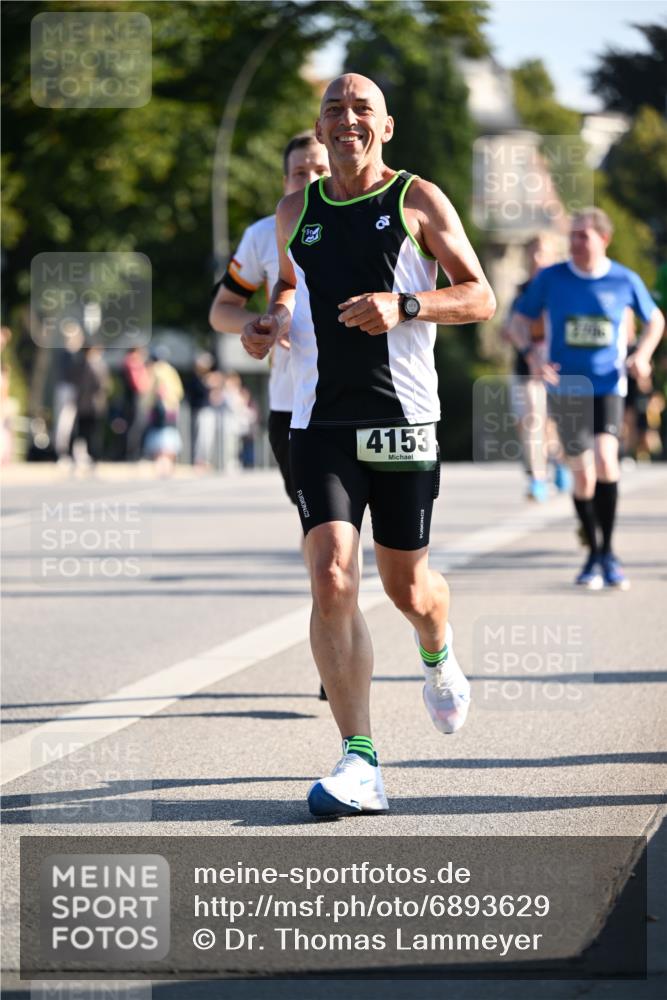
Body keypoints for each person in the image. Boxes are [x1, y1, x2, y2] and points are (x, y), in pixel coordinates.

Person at [241, 74, 495, 818]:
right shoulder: (295, 212)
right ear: (318, 129)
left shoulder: (417, 199)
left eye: (361, 109)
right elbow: (288, 288)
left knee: (406, 589)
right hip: (319, 422)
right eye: (332, 108)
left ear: (384, 126)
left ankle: (437, 647)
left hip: (403, 420)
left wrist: (406, 304)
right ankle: (360, 761)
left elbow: (479, 294)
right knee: (330, 577)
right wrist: (268, 323)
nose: (345, 119)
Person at [514, 207, 664, 590]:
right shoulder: (551, 278)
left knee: (605, 460)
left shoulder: (623, 279)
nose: (575, 242)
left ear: (603, 239)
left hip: (609, 384)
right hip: (567, 387)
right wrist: (532, 355)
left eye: (583, 235)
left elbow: (656, 320)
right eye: (573, 235)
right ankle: (592, 549)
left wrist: (641, 355)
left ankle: (608, 555)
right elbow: (518, 320)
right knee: (582, 475)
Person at [209, 132, 330, 496]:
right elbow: (221, 310)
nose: (309, 181)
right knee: (317, 526)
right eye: (299, 172)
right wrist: (261, 326)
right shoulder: (263, 234)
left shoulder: (365, 223)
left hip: (354, 395)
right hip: (290, 400)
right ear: (285, 181)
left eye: (320, 170)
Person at [503, 234, 571, 501]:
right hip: (526, 365)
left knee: (551, 425)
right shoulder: (522, 291)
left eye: (542, 252)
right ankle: (538, 479)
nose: (537, 258)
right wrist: (511, 334)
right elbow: (510, 325)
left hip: (556, 366)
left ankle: (560, 461)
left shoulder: (563, 289)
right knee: (531, 420)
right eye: (533, 252)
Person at [143, 346, 184, 476]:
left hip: (160, 407)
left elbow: (152, 390)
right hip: (172, 407)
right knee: (170, 433)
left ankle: (161, 465)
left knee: (159, 435)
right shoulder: (171, 370)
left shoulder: (155, 370)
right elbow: (179, 391)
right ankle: (169, 464)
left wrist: (148, 405)